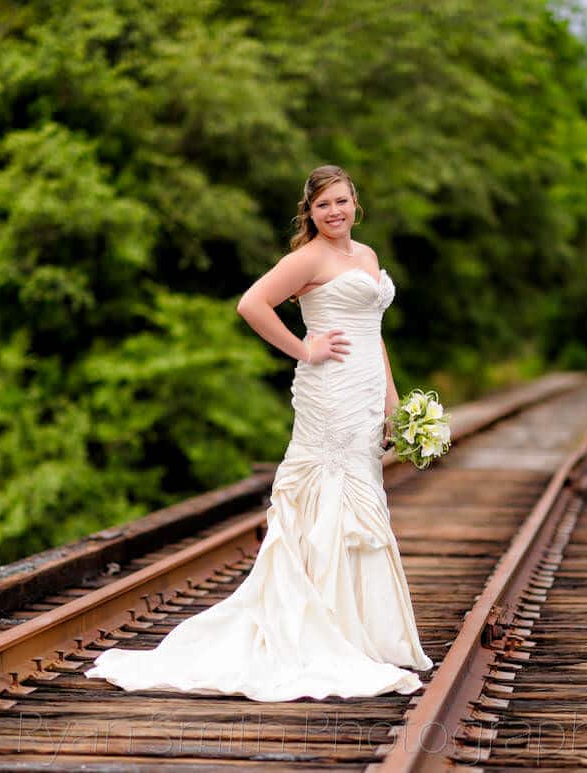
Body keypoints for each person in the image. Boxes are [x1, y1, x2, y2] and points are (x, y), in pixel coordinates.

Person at [85, 165, 434, 700]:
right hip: (330, 392)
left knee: (363, 503)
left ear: (355, 201)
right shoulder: (309, 258)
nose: (334, 212)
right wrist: (304, 348)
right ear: (310, 212)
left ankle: (361, 633)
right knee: (330, 501)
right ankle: (321, 630)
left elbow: (373, 334)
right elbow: (251, 304)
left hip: (365, 394)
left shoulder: (365, 256)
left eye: (341, 201)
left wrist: (393, 402)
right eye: (323, 206)